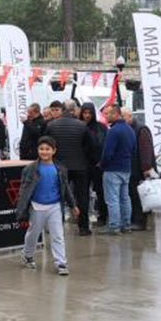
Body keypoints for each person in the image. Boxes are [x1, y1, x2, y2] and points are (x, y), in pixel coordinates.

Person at [16, 136, 79, 275]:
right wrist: (22, 208)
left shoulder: (60, 169)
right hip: (37, 206)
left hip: (55, 206)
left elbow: (66, 188)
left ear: (54, 151)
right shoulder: (30, 169)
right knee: (34, 233)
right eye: (41, 149)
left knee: (58, 235)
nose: (44, 152)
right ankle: (27, 254)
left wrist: (73, 205)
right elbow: (24, 190)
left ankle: (61, 263)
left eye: (47, 149)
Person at [46, 100, 95, 235]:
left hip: (59, 167)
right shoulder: (82, 126)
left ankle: (57, 227)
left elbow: (46, 144)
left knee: (58, 197)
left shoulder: (51, 125)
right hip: (80, 166)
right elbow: (92, 146)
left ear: (63, 109)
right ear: (74, 110)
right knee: (82, 197)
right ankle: (84, 228)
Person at [98, 104, 135, 235]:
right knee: (125, 198)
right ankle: (126, 224)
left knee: (112, 199)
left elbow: (108, 152)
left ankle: (114, 226)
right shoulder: (129, 129)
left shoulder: (113, 131)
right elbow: (133, 149)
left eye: (107, 114)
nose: (105, 116)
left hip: (112, 169)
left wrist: (102, 164)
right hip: (126, 168)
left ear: (115, 114)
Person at [124, 108, 156, 231]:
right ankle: (135, 219)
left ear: (129, 116)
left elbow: (146, 150)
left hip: (139, 170)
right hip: (132, 168)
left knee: (139, 197)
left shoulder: (141, 130)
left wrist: (146, 167)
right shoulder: (132, 129)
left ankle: (140, 221)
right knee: (133, 195)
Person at [80, 102, 108, 225]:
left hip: (97, 165)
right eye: (85, 113)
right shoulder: (78, 126)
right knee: (82, 193)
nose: (87, 116)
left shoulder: (101, 127)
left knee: (101, 192)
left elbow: (103, 145)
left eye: (89, 113)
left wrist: (101, 160)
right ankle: (83, 218)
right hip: (82, 164)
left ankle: (103, 216)